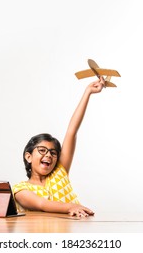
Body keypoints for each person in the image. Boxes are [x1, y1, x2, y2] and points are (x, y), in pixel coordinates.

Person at [13, 77, 105, 217]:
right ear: (28, 156)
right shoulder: (20, 189)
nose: (49, 155)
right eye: (42, 150)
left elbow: (72, 131)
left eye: (53, 153)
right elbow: (42, 204)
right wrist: (70, 207)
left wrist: (88, 92)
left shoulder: (59, 172)